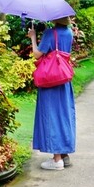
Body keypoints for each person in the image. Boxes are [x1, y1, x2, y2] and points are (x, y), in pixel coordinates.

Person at [29, 16, 76, 170]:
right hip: (63, 80)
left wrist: (33, 37)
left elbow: (37, 54)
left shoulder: (50, 33)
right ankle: (64, 154)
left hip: (51, 80)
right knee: (63, 115)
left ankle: (57, 160)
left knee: (51, 115)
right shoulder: (69, 32)